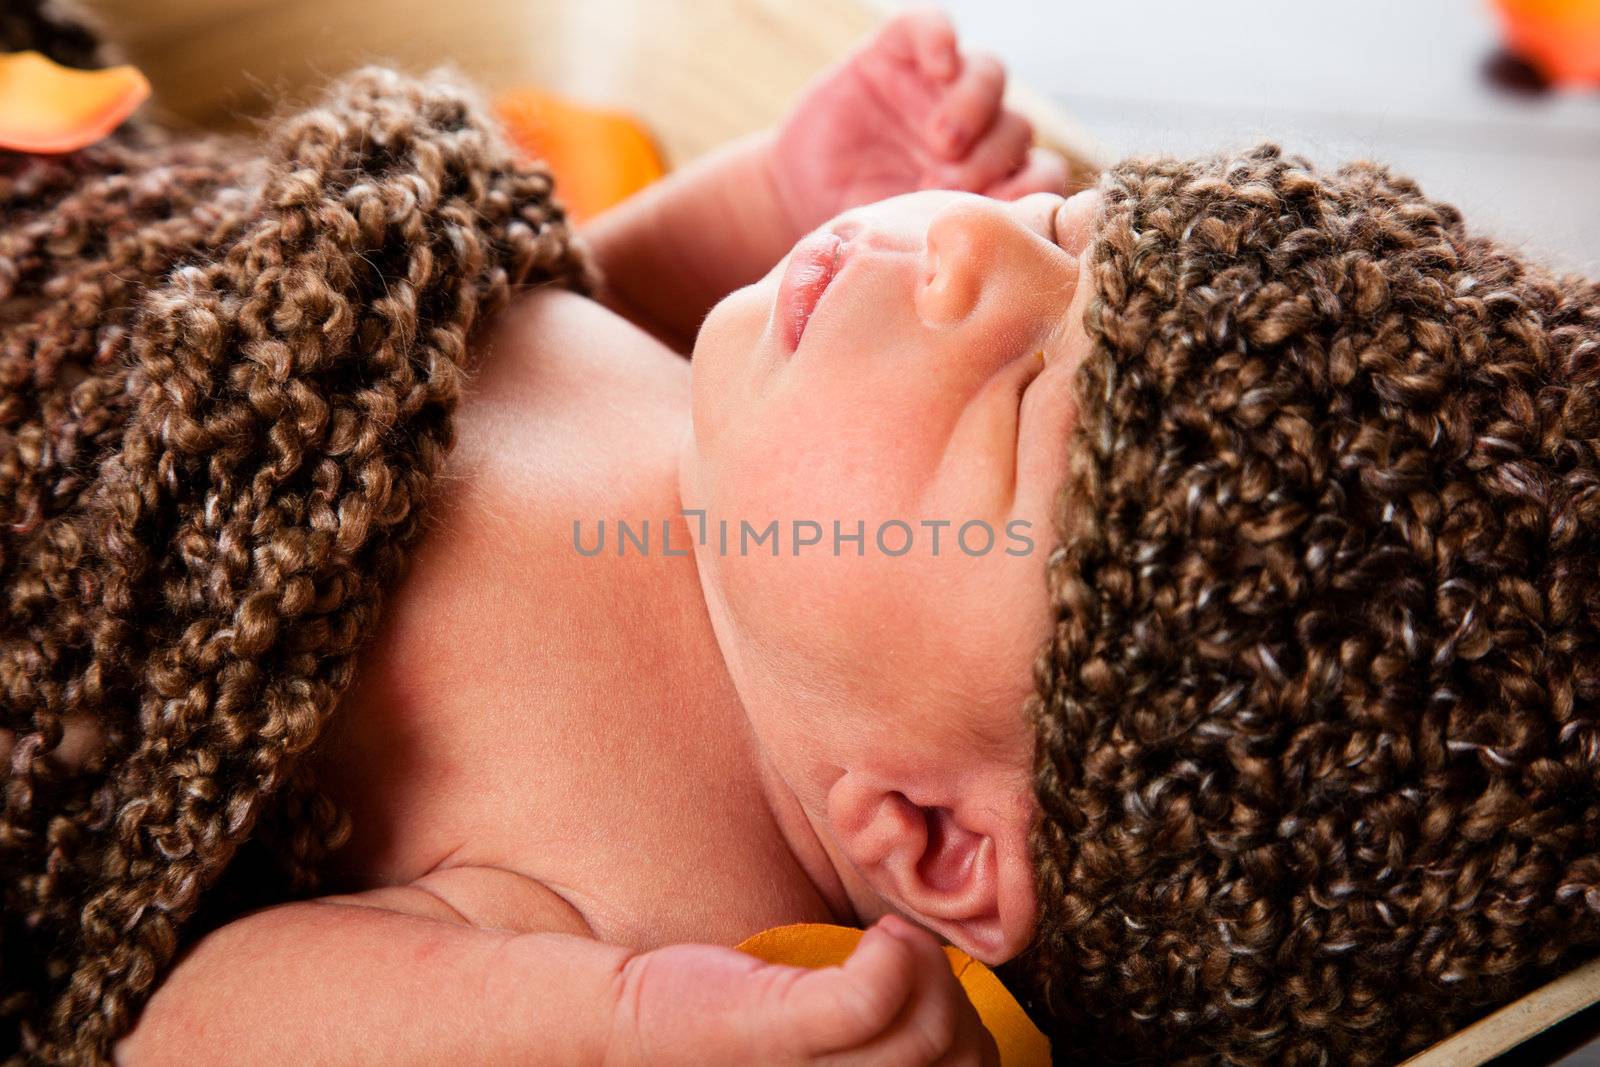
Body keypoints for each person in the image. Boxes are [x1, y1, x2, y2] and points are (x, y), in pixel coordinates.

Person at [7, 2, 1600, 1065]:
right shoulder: (737, 445)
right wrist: (771, 191)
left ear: (939, 840)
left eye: (1017, 393)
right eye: (1062, 231)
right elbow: (553, 303)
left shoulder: (648, 892)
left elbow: (190, 1032)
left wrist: (615, 1028)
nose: (966, 241)